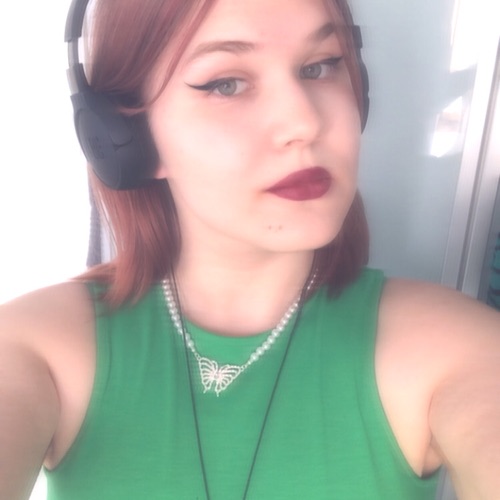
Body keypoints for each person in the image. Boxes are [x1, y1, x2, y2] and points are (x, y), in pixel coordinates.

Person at [1, 0, 499, 498]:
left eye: (319, 66)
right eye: (225, 84)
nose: (304, 123)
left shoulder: (457, 348)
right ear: (123, 137)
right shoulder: (33, 346)